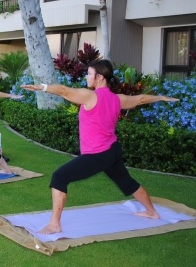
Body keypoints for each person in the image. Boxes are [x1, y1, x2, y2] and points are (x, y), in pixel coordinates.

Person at [21, 59, 179, 234]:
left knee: (59, 177)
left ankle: (54, 224)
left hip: (97, 155)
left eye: (89, 74)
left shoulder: (91, 97)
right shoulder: (117, 99)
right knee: (127, 182)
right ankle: (152, 212)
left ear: (100, 78)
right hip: (112, 151)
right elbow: (140, 99)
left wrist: (42, 87)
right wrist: (160, 98)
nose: (86, 76)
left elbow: (65, 91)